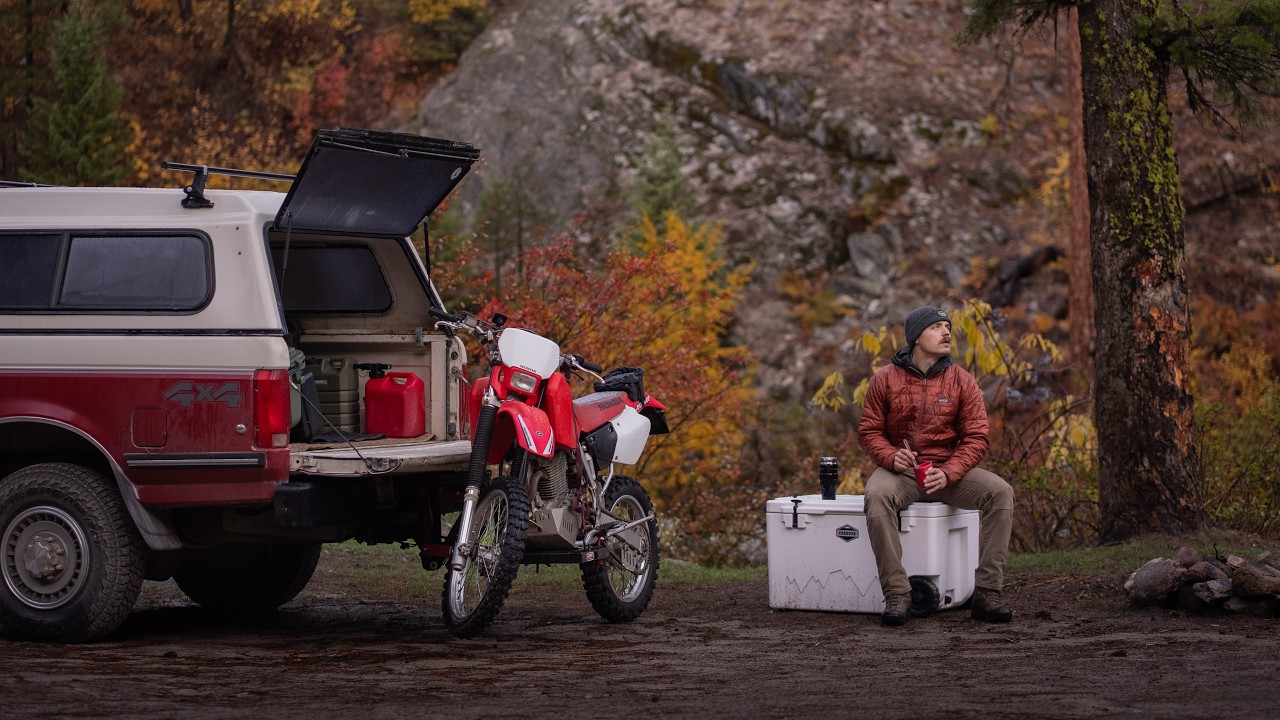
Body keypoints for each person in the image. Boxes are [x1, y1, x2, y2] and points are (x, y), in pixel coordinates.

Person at [857, 305, 1015, 626]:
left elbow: (977, 437)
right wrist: (890, 456)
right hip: (900, 472)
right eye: (936, 327)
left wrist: (949, 472)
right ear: (916, 337)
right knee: (876, 495)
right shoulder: (884, 379)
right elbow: (869, 432)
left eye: (948, 326)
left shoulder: (963, 381)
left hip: (947, 471)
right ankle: (898, 595)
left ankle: (986, 593)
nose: (946, 332)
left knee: (1001, 493)